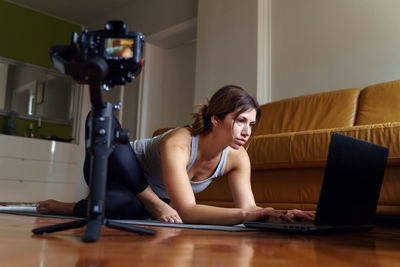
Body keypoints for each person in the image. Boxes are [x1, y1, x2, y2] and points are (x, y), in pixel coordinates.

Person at [36, 85, 315, 225]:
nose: (247, 131)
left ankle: (69, 208)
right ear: (216, 119)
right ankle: (151, 204)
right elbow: (187, 210)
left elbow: (250, 208)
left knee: (121, 209)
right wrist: (157, 205)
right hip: (110, 167)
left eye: (251, 124)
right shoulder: (179, 142)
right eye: (240, 121)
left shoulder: (238, 157)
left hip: (129, 199)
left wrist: (279, 215)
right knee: (102, 118)